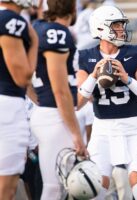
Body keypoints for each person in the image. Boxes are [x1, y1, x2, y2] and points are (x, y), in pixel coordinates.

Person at [76, 5, 137, 200]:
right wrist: (93, 75)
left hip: (133, 126)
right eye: (116, 26)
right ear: (101, 28)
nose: (122, 30)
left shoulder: (136, 52)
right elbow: (78, 102)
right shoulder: (86, 57)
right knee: (96, 191)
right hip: (102, 129)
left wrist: (126, 78)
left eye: (122, 25)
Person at [30, 0, 88, 199]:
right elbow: (61, 90)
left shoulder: (38, 27)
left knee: (56, 185)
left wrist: (37, 99)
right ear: (72, 8)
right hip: (56, 114)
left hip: (47, 112)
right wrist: (76, 135)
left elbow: (23, 76)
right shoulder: (58, 33)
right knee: (56, 187)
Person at [0, 0, 38, 199]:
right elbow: (22, 77)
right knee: (6, 188)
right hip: (8, 105)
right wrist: (34, 44)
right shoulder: (10, 20)